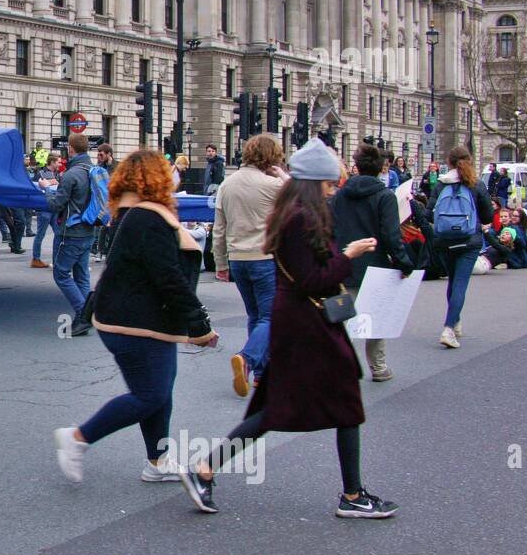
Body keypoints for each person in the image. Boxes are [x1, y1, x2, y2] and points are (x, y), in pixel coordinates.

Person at [179, 139, 398, 519]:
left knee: (276, 409)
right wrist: (348, 256)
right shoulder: (302, 218)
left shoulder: (296, 213)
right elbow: (310, 279)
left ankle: (205, 469)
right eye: (330, 185)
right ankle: (352, 495)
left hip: (301, 321)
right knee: (342, 402)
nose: (334, 191)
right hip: (306, 324)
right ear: (315, 183)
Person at [53, 151, 218, 485]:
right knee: (150, 394)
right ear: (155, 179)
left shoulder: (134, 214)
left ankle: (157, 461)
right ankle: (78, 438)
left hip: (140, 318)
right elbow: (168, 276)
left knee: (159, 391)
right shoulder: (148, 217)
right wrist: (199, 322)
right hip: (133, 321)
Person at [331, 143, 414, 383]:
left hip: (345, 261)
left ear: (356, 166)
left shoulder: (340, 196)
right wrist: (404, 263)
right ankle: (378, 367)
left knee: (342, 317)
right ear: (381, 168)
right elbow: (391, 235)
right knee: (376, 318)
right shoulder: (384, 196)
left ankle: (339, 365)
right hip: (375, 265)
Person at [212, 135, 287, 396]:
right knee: (272, 316)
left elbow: (218, 229)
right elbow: (302, 199)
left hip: (237, 259)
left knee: (255, 316)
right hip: (264, 257)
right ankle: (248, 359)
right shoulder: (272, 184)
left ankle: (261, 374)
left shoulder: (226, 184)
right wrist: (283, 175)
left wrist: (220, 262)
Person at [429, 147, 496, 348]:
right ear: (469, 161)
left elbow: (428, 213)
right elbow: (487, 216)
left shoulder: (441, 184)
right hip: (468, 240)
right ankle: (449, 328)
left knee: (452, 280)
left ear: (448, 162)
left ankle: (455, 321)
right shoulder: (476, 185)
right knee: (460, 284)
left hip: (444, 240)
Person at [47, 132, 100, 335]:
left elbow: (56, 204)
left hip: (70, 232)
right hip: (89, 230)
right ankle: (86, 316)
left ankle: (82, 314)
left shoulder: (71, 174)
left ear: (71, 148)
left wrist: (47, 190)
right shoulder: (93, 170)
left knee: (61, 273)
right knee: (81, 274)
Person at [31, 152, 61, 269]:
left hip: (54, 207)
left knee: (58, 233)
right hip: (44, 208)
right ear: (52, 162)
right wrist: (48, 184)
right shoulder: (40, 173)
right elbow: (34, 188)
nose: (59, 164)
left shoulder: (57, 174)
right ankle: (36, 259)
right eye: (58, 161)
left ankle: (56, 259)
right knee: (41, 234)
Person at [92, 144, 116, 263]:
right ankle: (100, 251)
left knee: (112, 227)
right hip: (103, 201)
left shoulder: (117, 166)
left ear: (109, 154)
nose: (99, 156)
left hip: (115, 200)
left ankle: (108, 251)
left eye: (101, 154)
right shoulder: (99, 166)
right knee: (103, 227)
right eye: (98, 154)